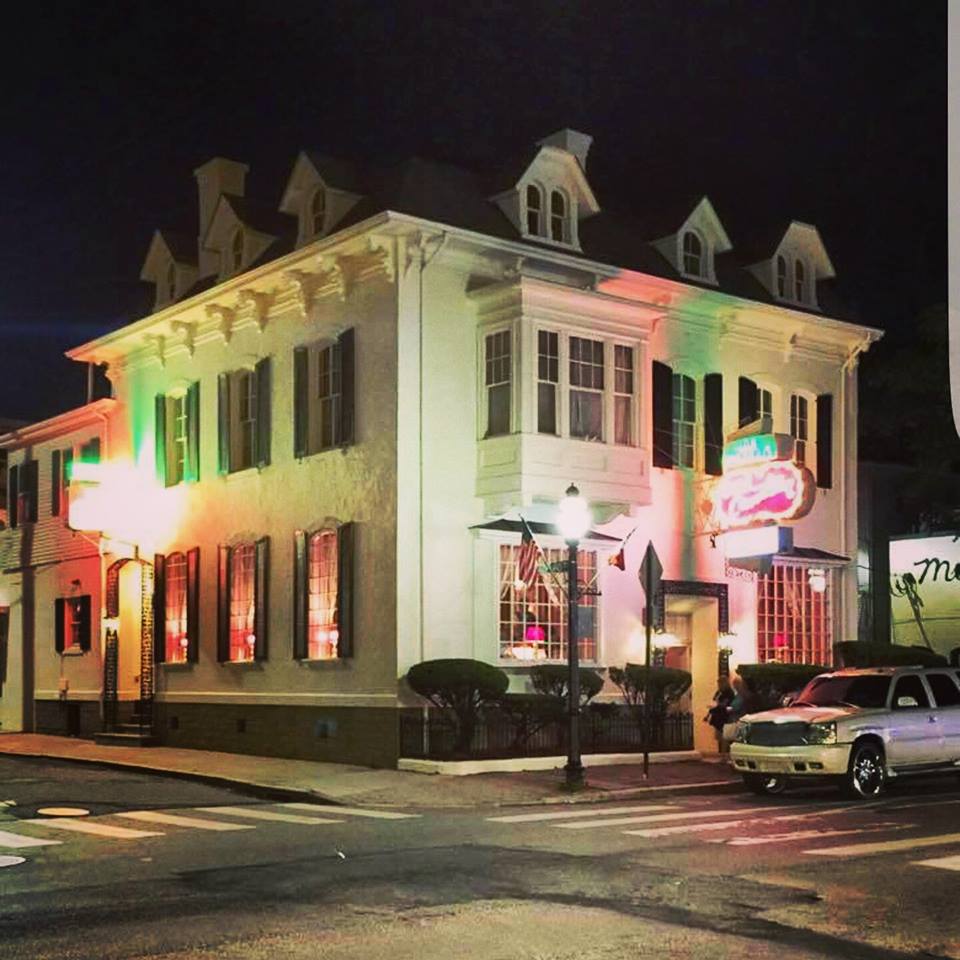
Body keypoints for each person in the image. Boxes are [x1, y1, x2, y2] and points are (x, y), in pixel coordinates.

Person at [705, 675, 734, 753]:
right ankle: (723, 752)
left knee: (724, 736)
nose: (719, 685)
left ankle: (725, 753)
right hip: (717, 715)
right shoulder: (718, 692)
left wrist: (718, 705)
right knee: (719, 736)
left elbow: (726, 704)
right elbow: (714, 701)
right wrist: (708, 714)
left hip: (724, 716)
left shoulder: (729, 692)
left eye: (721, 683)